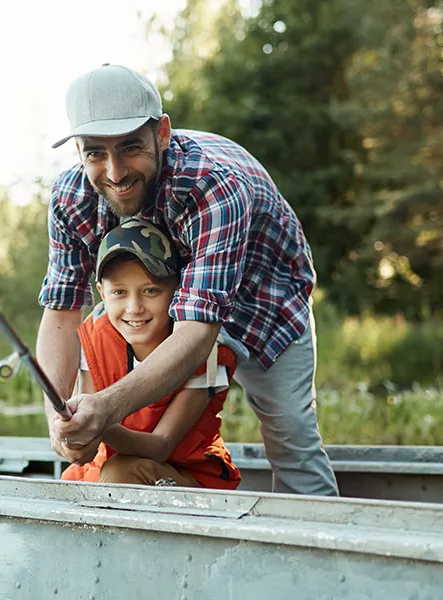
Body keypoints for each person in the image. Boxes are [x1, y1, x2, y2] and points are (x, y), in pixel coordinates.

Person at [38, 63, 339, 496]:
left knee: (291, 436)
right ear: (79, 151)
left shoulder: (214, 185)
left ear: (162, 133)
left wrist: (105, 408)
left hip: (264, 301)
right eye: (96, 153)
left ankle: (317, 536)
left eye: (130, 147)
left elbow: (197, 332)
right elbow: (62, 312)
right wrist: (59, 417)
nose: (116, 172)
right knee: (128, 430)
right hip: (160, 303)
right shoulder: (71, 197)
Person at [61, 216, 240, 489]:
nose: (134, 308)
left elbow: (161, 446)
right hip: (107, 467)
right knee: (78, 481)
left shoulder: (203, 348)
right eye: (119, 292)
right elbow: (86, 417)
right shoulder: (94, 338)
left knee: (119, 473)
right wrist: (75, 434)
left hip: (188, 475)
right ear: (102, 293)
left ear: (177, 291)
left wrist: (98, 424)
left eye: (150, 290)